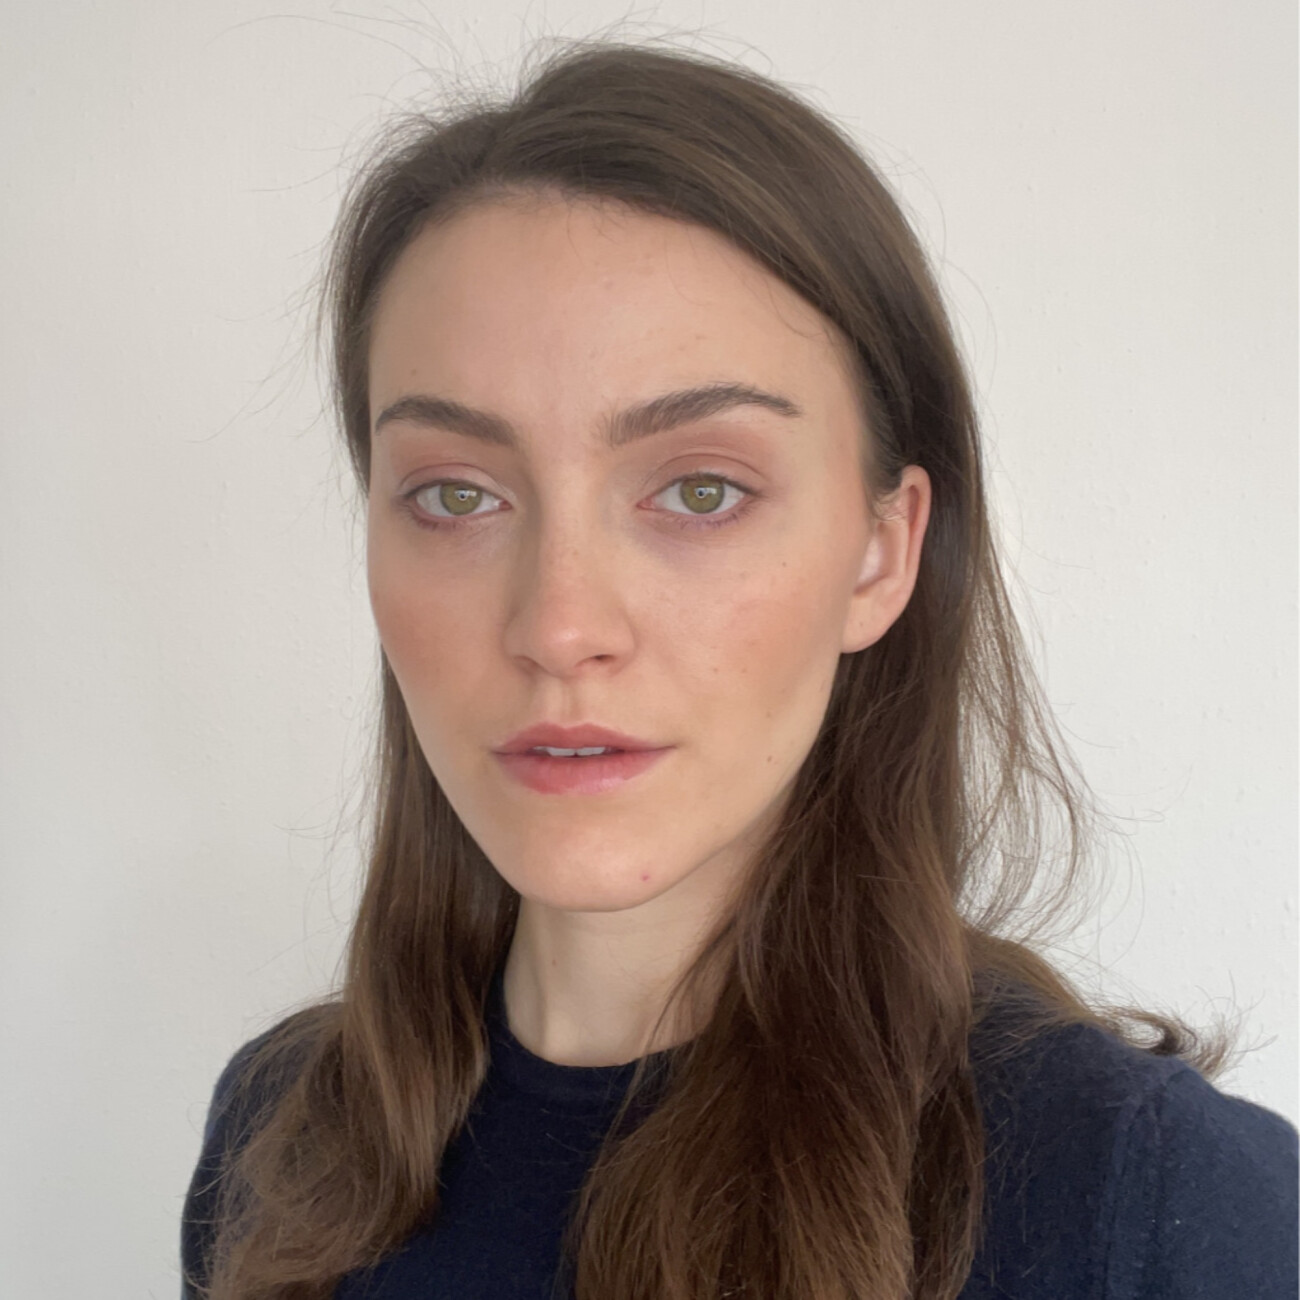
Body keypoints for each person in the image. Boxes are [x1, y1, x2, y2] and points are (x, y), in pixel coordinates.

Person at [180, 38, 1298, 1300]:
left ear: (881, 552)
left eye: (701, 490)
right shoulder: (280, 1136)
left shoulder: (1141, 1201)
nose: (559, 625)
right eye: (455, 493)